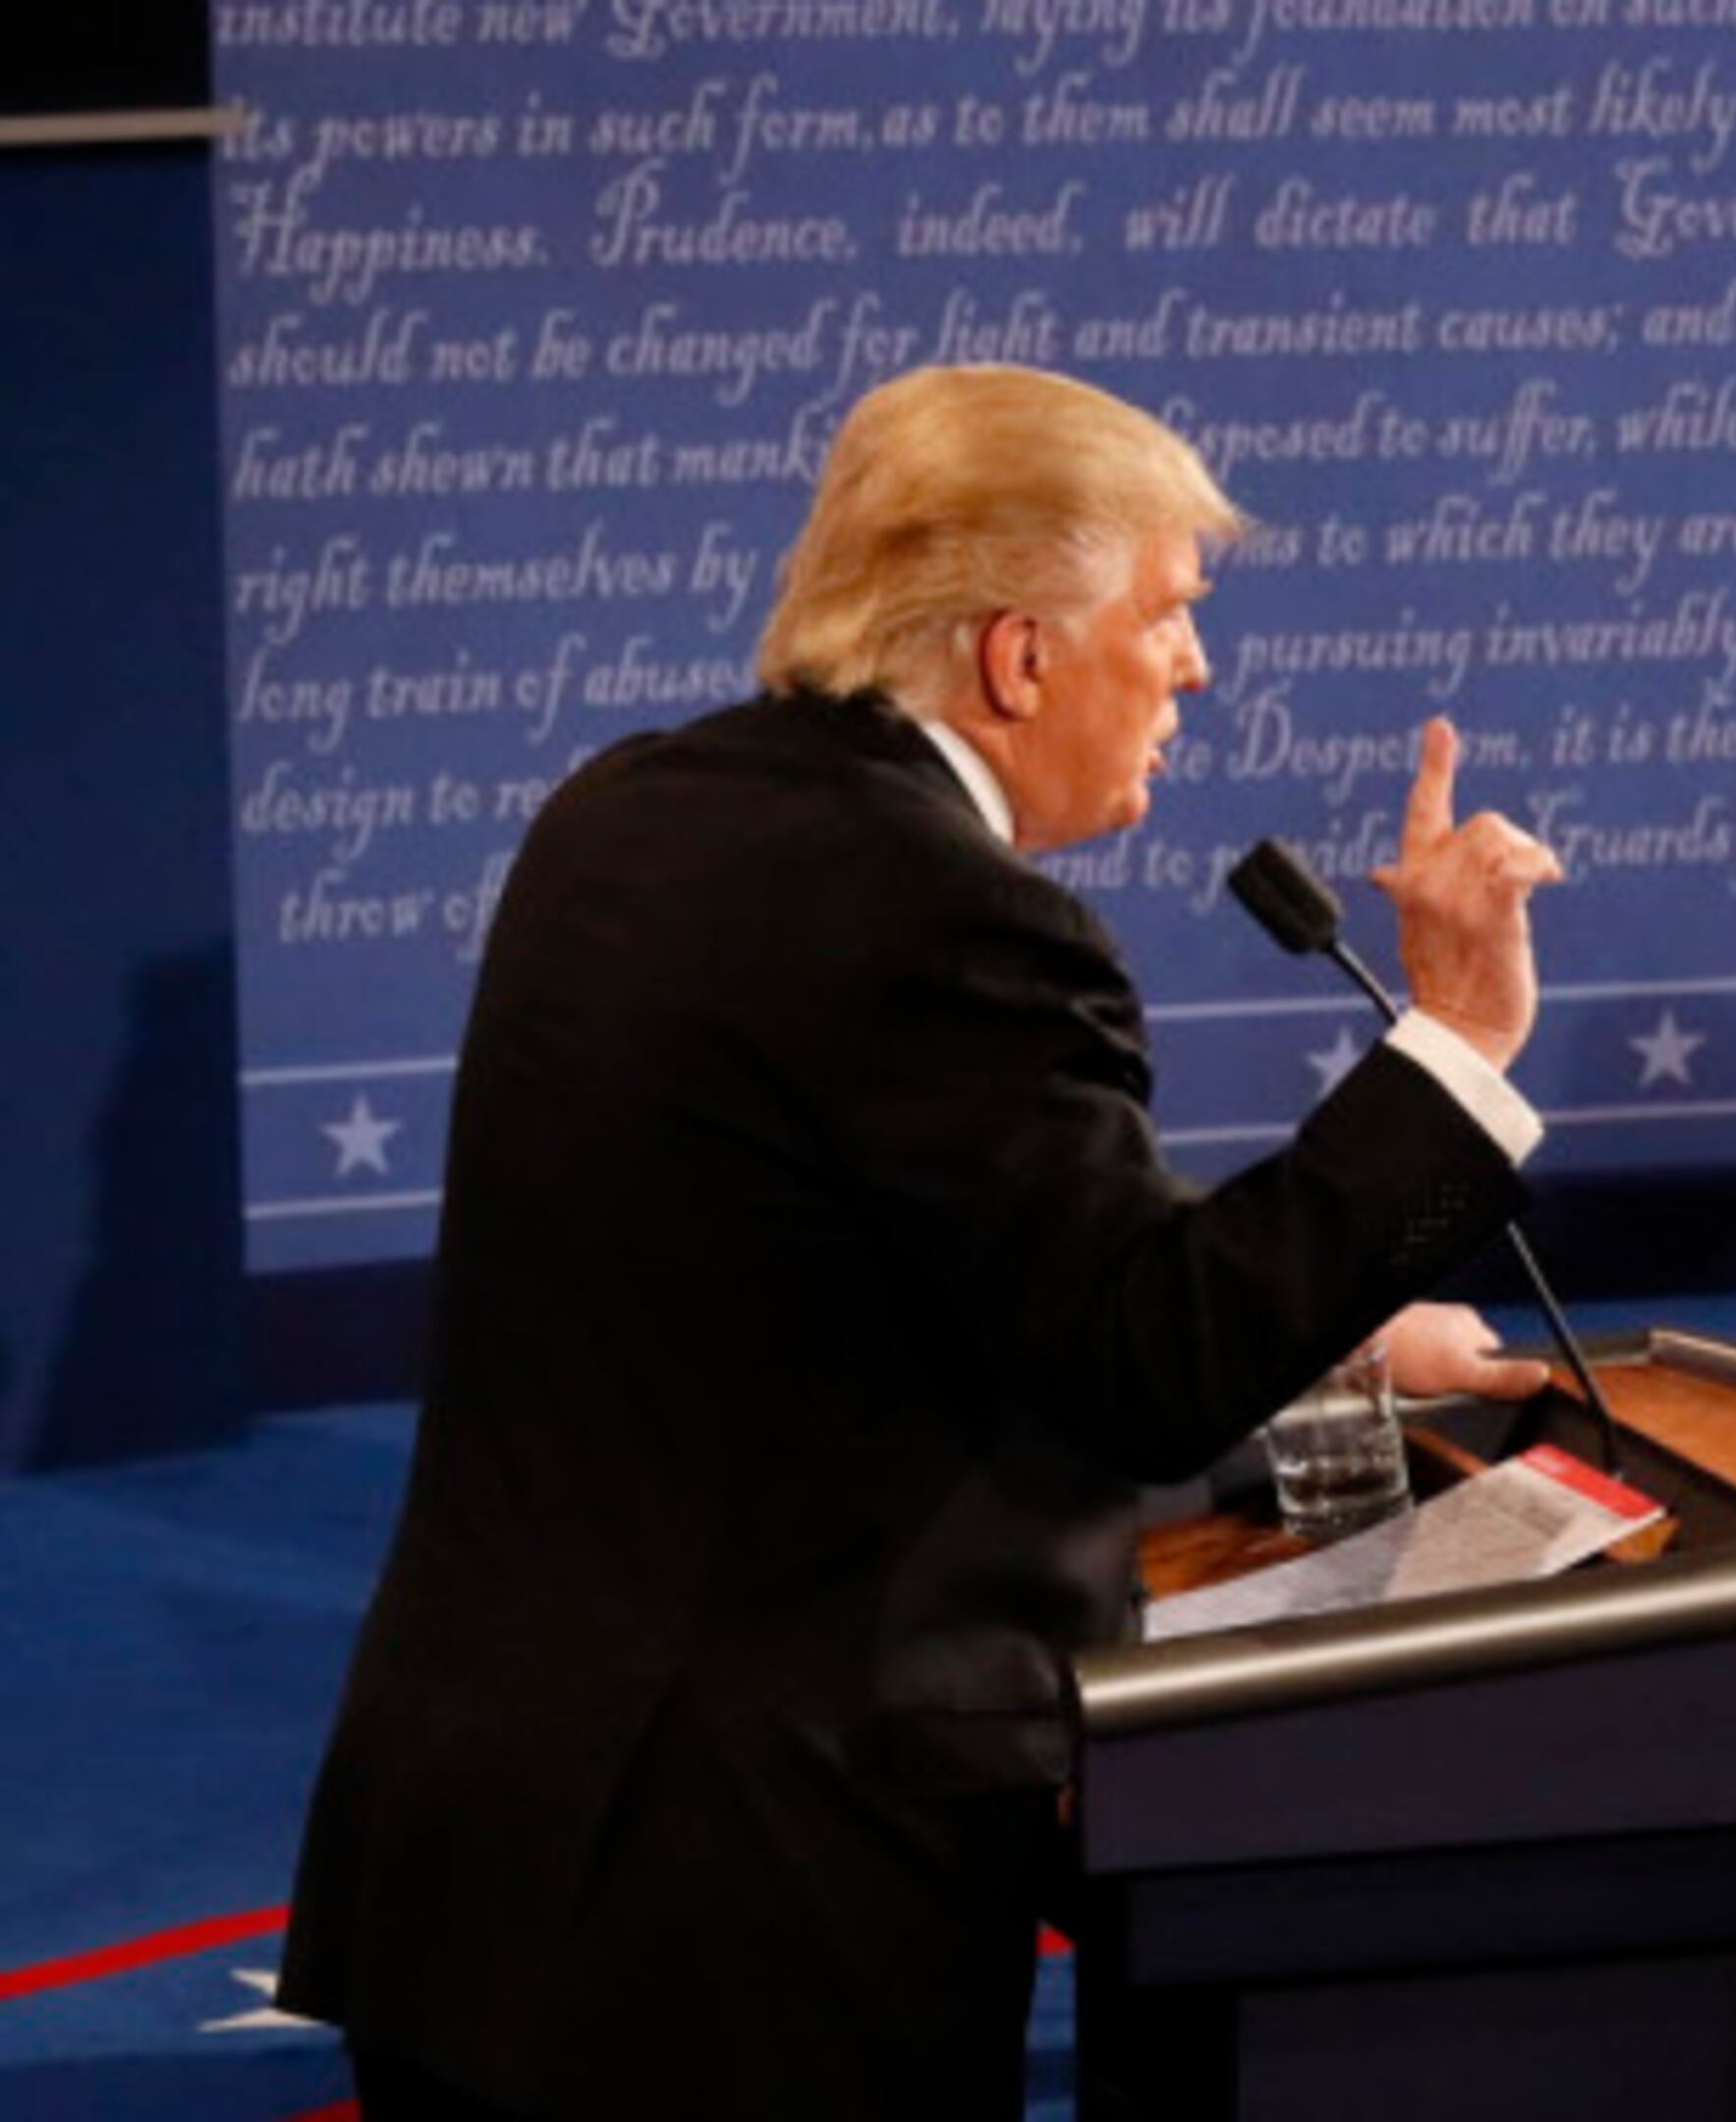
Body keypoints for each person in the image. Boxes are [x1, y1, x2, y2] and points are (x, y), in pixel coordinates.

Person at [275, 363, 1568, 2119]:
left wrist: (1345, 1356)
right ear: (1020, 655)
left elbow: (832, 1307)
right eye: (1171, 617)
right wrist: (1459, 1050)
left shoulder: (630, 809)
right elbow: (1138, 1367)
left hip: (483, 1858)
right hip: (739, 1930)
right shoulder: (954, 919)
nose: (1194, 668)